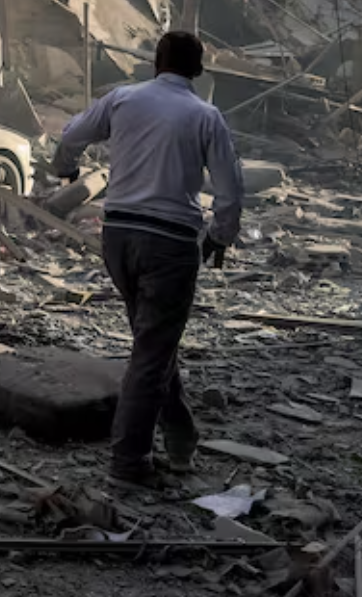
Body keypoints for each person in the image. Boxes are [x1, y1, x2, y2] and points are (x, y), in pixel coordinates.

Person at [53, 29, 243, 486]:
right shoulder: (206, 116)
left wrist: (66, 170)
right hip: (170, 243)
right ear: (198, 70)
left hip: (117, 237)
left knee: (152, 347)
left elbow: (70, 135)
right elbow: (230, 191)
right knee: (152, 352)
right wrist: (220, 236)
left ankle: (181, 439)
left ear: (155, 63)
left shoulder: (123, 99)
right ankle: (129, 462)